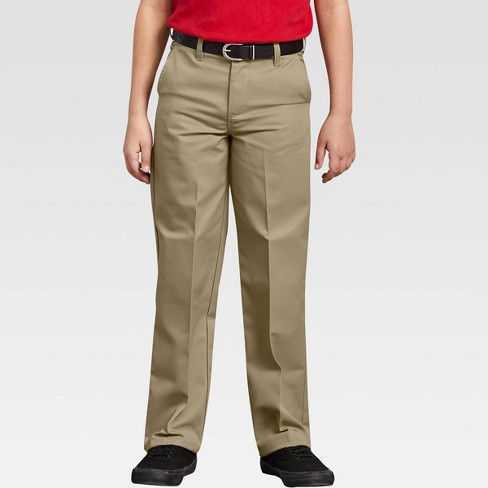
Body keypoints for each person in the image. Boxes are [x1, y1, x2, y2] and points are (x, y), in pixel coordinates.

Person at [123, 0, 355, 485]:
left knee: (278, 268)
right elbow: (154, 6)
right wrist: (136, 112)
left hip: (278, 83)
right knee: (183, 268)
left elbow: (332, 6)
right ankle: (171, 434)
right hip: (189, 80)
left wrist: (342, 112)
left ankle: (286, 435)